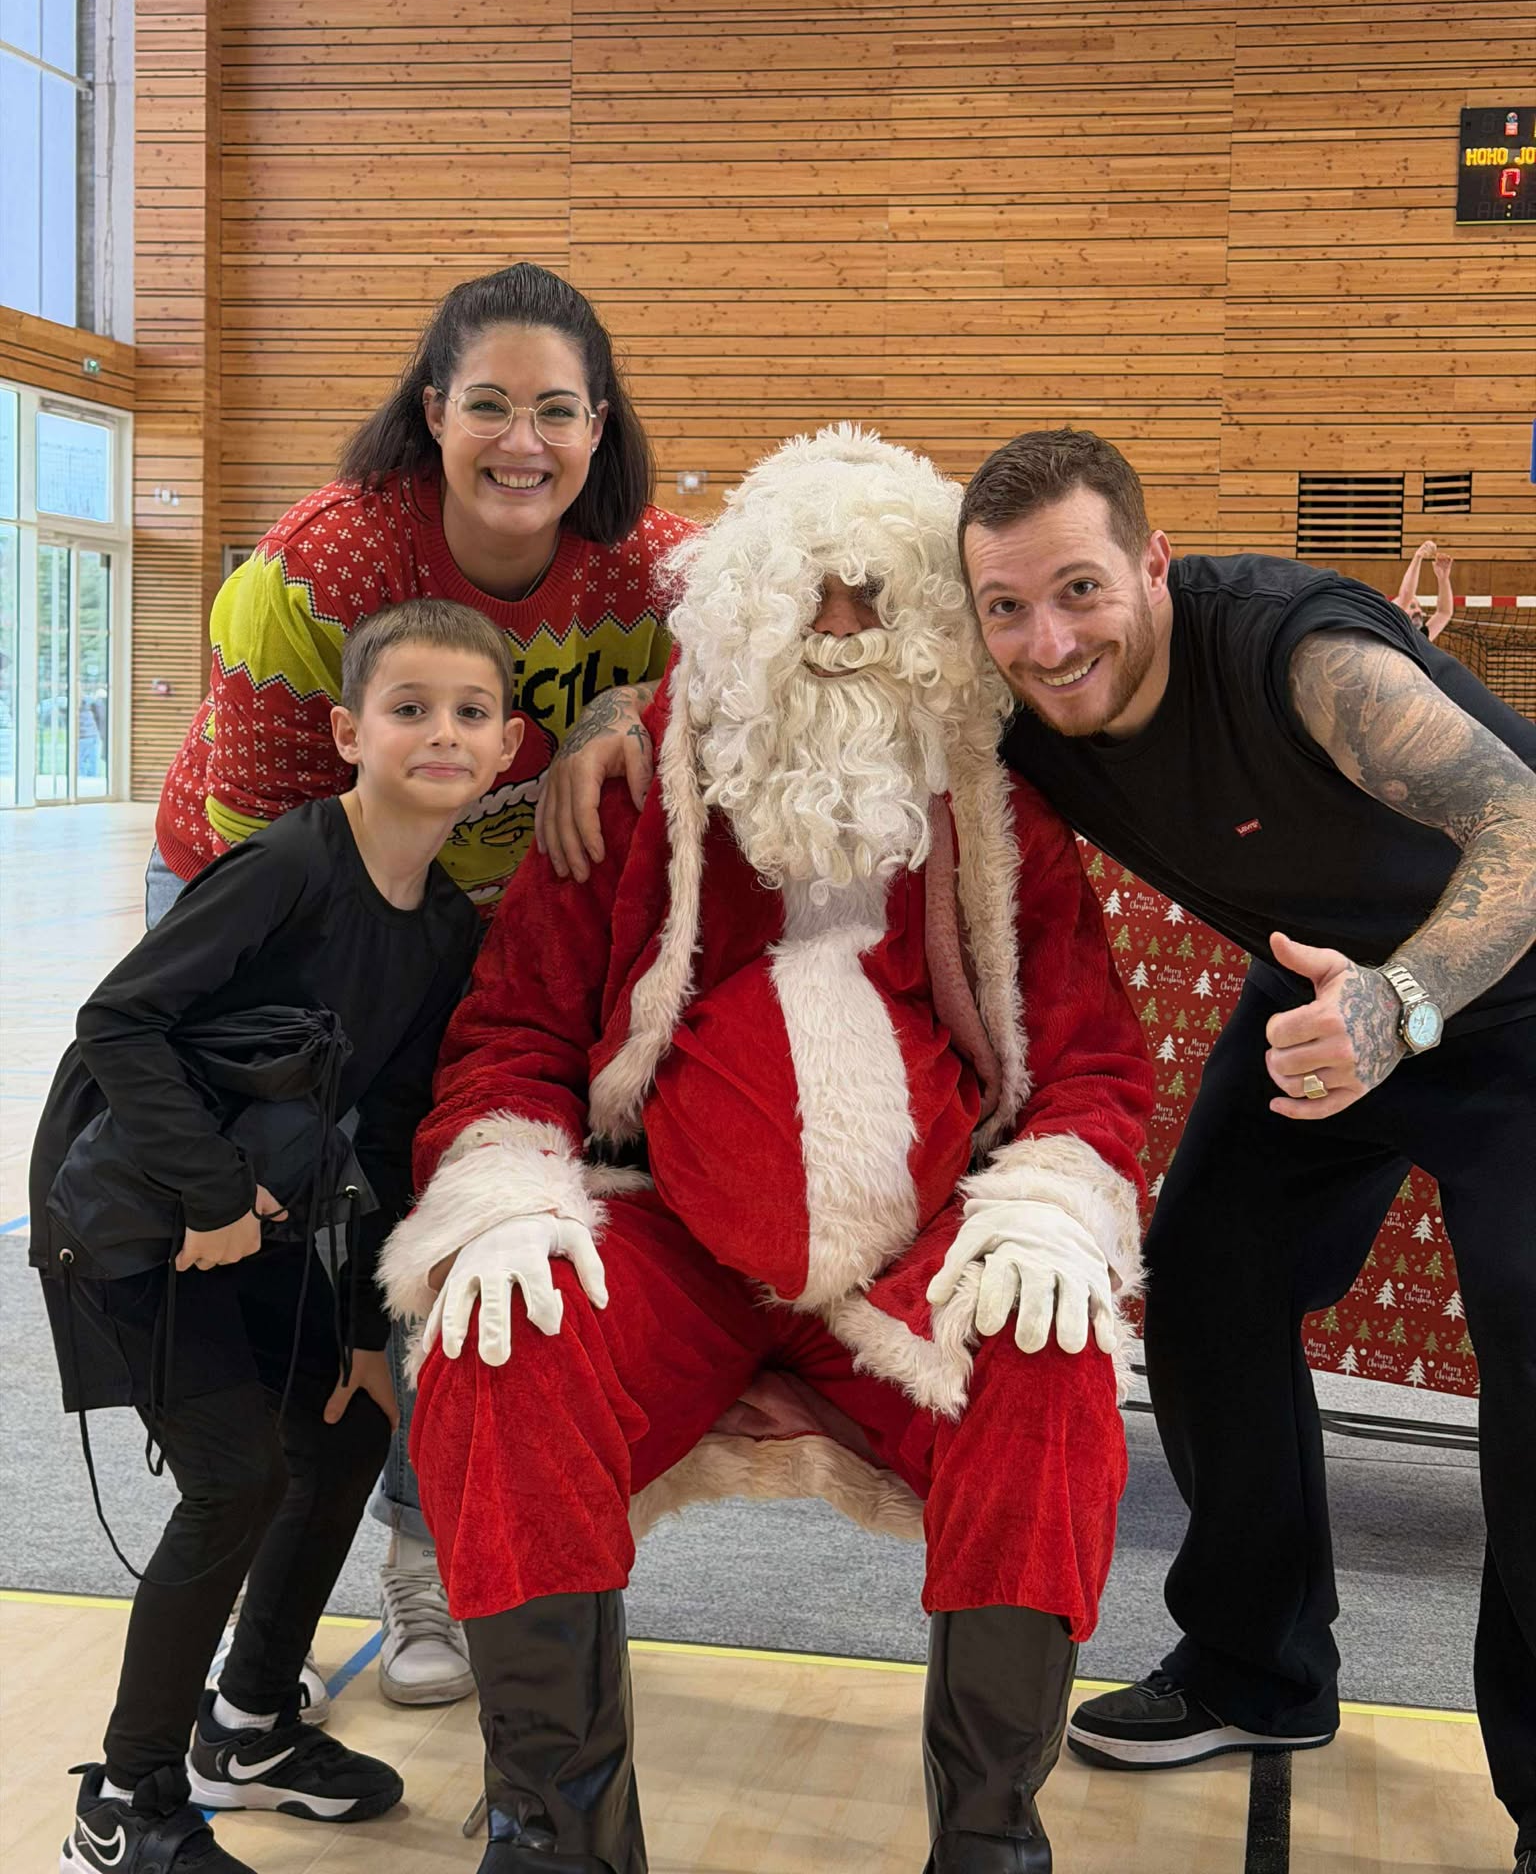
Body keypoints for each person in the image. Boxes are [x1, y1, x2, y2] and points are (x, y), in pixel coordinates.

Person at [380, 425, 1155, 1874]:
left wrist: (1052, 1206)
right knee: (503, 1335)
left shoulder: (999, 816)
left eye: (878, 596)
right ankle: (557, 1842)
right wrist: (502, 1195)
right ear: (750, 609)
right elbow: (515, 1033)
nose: (845, 629)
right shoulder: (632, 795)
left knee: (1050, 1354)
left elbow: (1092, 1063)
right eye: (814, 595)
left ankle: (991, 1840)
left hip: (918, 1253)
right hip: (676, 1238)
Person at [955, 429, 1535, 1874]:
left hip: (1507, 995)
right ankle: (1255, 1667)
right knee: (1209, 1279)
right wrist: (620, 724)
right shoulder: (1017, 696)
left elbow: (1526, 820)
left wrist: (1400, 1005)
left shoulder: (1296, 654)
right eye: (1007, 607)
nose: (1049, 641)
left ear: (1153, 562)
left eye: (1081, 590)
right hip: (1321, 987)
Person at [149, 262, 694, 1710]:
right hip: (273, 900)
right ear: (433, 410)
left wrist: (629, 711)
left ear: (600, 426)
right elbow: (273, 857)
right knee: (286, 1247)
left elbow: (754, 662)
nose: (525, 440)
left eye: (558, 410)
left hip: (477, 926)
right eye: (490, 405)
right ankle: (227, 1611)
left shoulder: (655, 568)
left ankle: (424, 1572)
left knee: (439, 1217)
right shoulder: (320, 569)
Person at [31, 600, 520, 1874]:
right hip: (134, 1207)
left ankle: (246, 1726)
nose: (442, 732)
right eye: (409, 708)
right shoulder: (290, 865)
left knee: (349, 1421)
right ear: (350, 731)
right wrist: (207, 1196)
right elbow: (117, 1020)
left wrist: (363, 1327)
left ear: (509, 745)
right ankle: (124, 1803)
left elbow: (392, 1126)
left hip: (262, 1217)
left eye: (470, 712)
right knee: (236, 1476)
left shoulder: (447, 927)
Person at [1391, 538, 1456, 642]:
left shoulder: (1421, 637)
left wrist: (1443, 579)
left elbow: (1444, 613)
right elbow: (1406, 595)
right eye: (1412, 606)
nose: (1418, 611)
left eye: (1419, 607)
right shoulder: (1391, 630)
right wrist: (1418, 556)